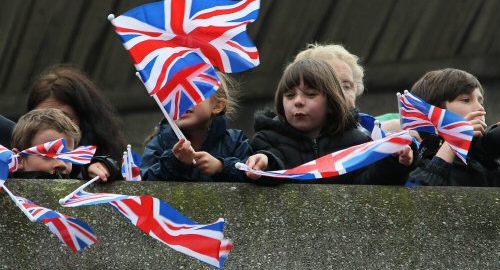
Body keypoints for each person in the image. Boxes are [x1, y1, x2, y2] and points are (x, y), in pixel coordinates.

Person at [245, 58, 415, 185]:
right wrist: (265, 163)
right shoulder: (266, 139)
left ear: (332, 104)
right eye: (289, 95)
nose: (297, 101)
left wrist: (393, 161)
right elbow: (272, 169)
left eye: (310, 94)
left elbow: (370, 183)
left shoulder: (357, 141)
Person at [407, 68, 500, 187]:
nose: (480, 108)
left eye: (480, 101)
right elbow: (416, 204)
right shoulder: (408, 162)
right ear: (435, 113)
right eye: (466, 100)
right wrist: (452, 143)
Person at [140, 73, 251, 181]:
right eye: (175, 95)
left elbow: (253, 175)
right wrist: (175, 163)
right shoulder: (159, 143)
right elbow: (146, 182)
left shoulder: (235, 141)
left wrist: (221, 167)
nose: (182, 100)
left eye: (193, 93)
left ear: (217, 106)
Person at [27, 64, 124, 181]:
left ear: (84, 121)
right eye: (42, 117)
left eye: (65, 117)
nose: (53, 124)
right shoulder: (10, 161)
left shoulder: (108, 167)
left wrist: (101, 167)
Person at [294, 43, 402, 133]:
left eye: (346, 86)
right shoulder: (281, 143)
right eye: (329, 85)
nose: (340, 94)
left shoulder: (377, 132)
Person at [10, 108, 108, 181]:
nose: (61, 163)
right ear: (19, 160)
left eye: (68, 156)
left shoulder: (79, 187)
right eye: (48, 154)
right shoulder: (5, 189)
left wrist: (104, 168)